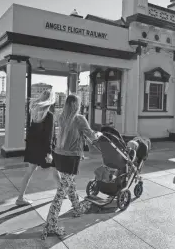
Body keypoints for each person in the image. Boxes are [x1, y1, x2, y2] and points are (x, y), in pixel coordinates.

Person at [41, 94, 101, 240]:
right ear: (77, 105)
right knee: (61, 192)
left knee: (70, 183)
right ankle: (51, 224)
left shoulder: (62, 117)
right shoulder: (80, 118)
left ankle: (77, 208)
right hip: (70, 158)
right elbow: (91, 136)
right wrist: (98, 134)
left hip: (59, 156)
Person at [16, 90, 60, 206]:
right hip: (45, 149)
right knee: (56, 170)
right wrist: (49, 152)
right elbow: (49, 135)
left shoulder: (35, 113)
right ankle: (62, 193)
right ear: (51, 99)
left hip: (34, 147)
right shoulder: (49, 115)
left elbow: (32, 131)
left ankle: (20, 198)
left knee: (29, 172)